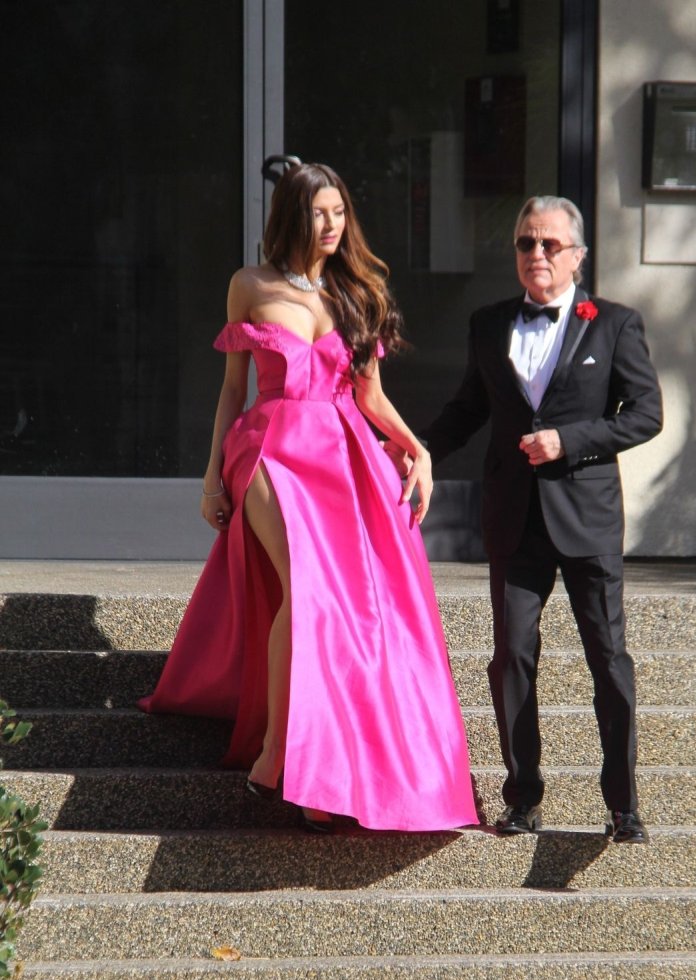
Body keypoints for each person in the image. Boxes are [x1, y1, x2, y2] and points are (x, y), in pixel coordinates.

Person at [140, 160, 478, 833]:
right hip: (266, 446)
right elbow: (232, 390)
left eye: (339, 212)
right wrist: (211, 478)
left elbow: (371, 397)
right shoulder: (248, 284)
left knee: (348, 602)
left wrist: (418, 448)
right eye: (319, 212)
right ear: (291, 216)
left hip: (340, 455)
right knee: (309, 586)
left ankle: (327, 765)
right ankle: (275, 751)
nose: (332, 225)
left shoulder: (358, 293)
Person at [420, 195, 663, 841]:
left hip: (586, 518)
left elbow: (645, 415)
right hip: (513, 517)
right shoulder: (488, 323)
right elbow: (468, 408)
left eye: (549, 244)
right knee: (511, 657)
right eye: (526, 242)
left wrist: (569, 440)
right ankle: (522, 798)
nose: (536, 253)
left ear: (577, 255)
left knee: (607, 658)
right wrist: (414, 453)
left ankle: (623, 807)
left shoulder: (614, 323)